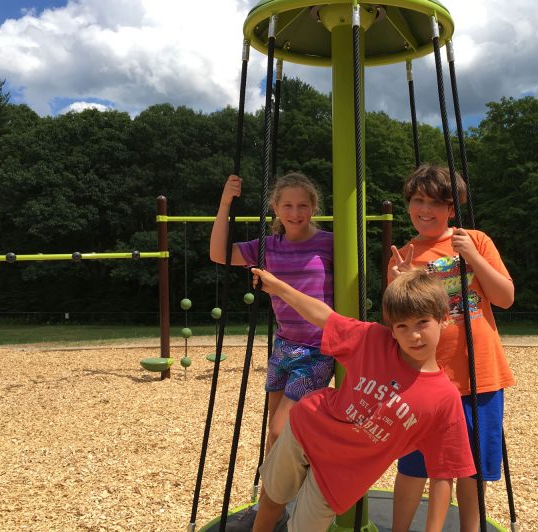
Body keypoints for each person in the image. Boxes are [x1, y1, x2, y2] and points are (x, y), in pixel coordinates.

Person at [249, 267, 476, 532]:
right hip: (306, 429)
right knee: (272, 501)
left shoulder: (443, 399)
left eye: (422, 323)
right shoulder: (373, 340)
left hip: (340, 473)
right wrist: (277, 286)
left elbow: (443, 474)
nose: (413, 335)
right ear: (391, 330)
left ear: (444, 319)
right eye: (402, 326)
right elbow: (325, 317)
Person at [389, 164, 515, 532]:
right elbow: (394, 325)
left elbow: (504, 298)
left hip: (480, 374)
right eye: (417, 200)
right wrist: (397, 285)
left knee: (472, 468)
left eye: (434, 202)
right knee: (414, 463)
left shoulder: (475, 240)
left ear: (451, 207)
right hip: (425, 378)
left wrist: (472, 257)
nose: (424, 209)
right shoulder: (406, 255)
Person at [210, 172, 334, 530]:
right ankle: (273, 501)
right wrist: (225, 202)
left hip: (318, 348)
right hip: (283, 346)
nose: (296, 212)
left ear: (313, 207)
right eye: (288, 205)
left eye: (303, 205)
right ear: (275, 208)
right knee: (273, 430)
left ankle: (282, 499)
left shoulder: (330, 243)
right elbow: (219, 254)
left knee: (282, 431)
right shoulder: (268, 246)